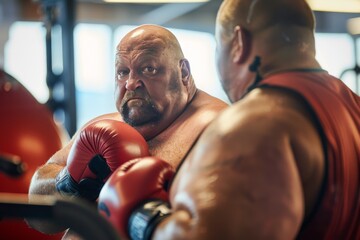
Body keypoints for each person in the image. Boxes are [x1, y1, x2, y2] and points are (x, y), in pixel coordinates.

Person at [99, 0, 360, 239]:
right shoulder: (353, 106)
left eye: (218, 47)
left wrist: (142, 215)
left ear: (238, 43)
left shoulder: (253, 124)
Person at [27, 24, 228, 237]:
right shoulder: (101, 129)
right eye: (123, 72)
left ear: (184, 72)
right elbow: (37, 217)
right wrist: (69, 181)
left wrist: (145, 219)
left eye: (149, 69)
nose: (131, 83)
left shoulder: (219, 128)